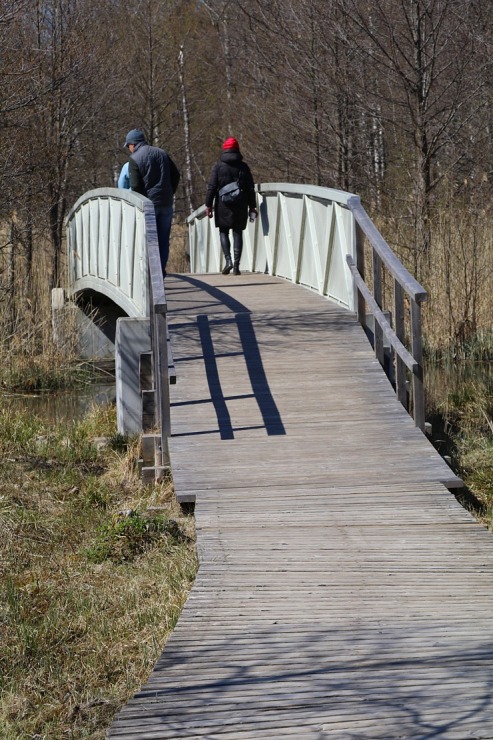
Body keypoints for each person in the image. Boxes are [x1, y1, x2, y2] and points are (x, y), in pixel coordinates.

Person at [123, 128, 180, 278]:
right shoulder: (162, 153)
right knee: (163, 239)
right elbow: (176, 174)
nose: (129, 149)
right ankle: (160, 270)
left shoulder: (135, 158)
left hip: (148, 205)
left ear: (133, 144)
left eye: (128, 145)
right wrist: (169, 192)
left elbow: (135, 186)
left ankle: (150, 274)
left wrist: (140, 203)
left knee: (148, 239)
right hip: (166, 203)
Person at [205, 137, 257, 275]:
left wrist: (208, 205)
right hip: (241, 203)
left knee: (223, 231)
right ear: (237, 149)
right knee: (237, 232)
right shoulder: (243, 167)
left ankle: (227, 260)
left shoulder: (218, 166)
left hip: (223, 204)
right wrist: (252, 206)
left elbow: (212, 187)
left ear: (225, 149)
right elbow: (250, 188)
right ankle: (236, 266)